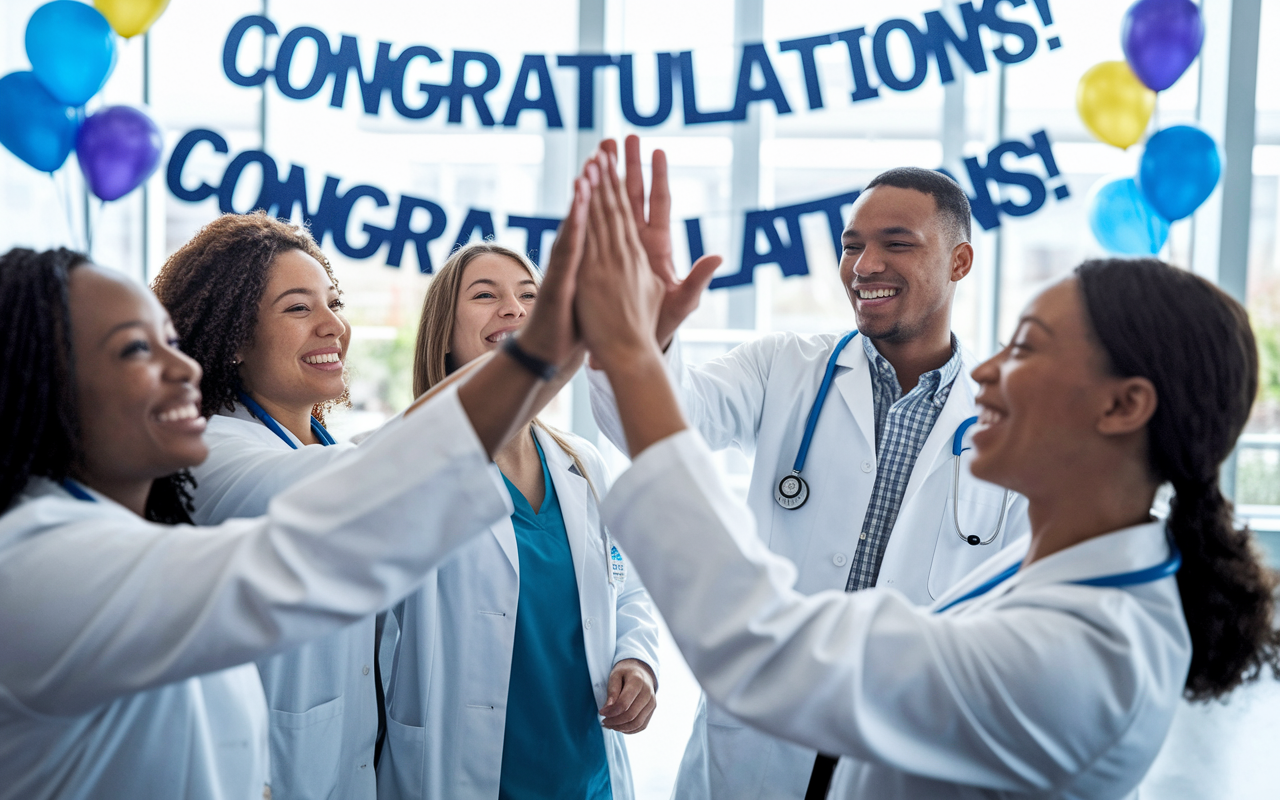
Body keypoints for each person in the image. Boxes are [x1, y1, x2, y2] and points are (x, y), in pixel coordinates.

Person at [570, 162, 1280, 800]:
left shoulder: (1078, 653)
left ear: (1123, 405)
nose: (989, 369)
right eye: (851, 244)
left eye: (1027, 345)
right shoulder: (1067, 573)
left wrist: (629, 348)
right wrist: (641, 354)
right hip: (766, 752)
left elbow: (767, 650)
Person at [0, 174, 592, 799]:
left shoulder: (110, 527)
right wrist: (533, 354)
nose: (181, 367)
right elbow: (328, 530)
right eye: (134, 350)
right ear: (47, 379)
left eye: (172, 342)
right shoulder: (41, 562)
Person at [588, 138, 1031, 798]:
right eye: (852, 244)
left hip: (910, 734)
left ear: (959, 260)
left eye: (897, 243)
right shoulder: (784, 367)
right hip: (769, 729)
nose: (864, 264)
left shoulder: (1015, 420)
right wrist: (641, 340)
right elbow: (648, 426)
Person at [377, 241, 660, 800]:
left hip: (585, 773)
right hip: (463, 773)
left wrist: (638, 659)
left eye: (531, 296)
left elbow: (625, 586)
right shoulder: (406, 464)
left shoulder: (582, 463)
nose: (514, 309)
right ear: (444, 333)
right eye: (486, 295)